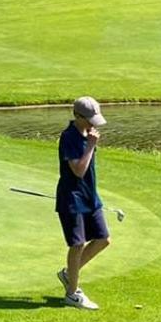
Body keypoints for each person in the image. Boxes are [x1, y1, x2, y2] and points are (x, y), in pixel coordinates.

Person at [55, 95, 110, 310]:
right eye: (89, 119)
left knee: (103, 239)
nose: (92, 123)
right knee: (77, 243)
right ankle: (72, 293)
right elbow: (78, 171)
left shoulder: (87, 133)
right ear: (77, 116)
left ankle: (69, 274)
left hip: (90, 196)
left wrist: (90, 142)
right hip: (72, 198)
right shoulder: (69, 137)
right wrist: (90, 146)